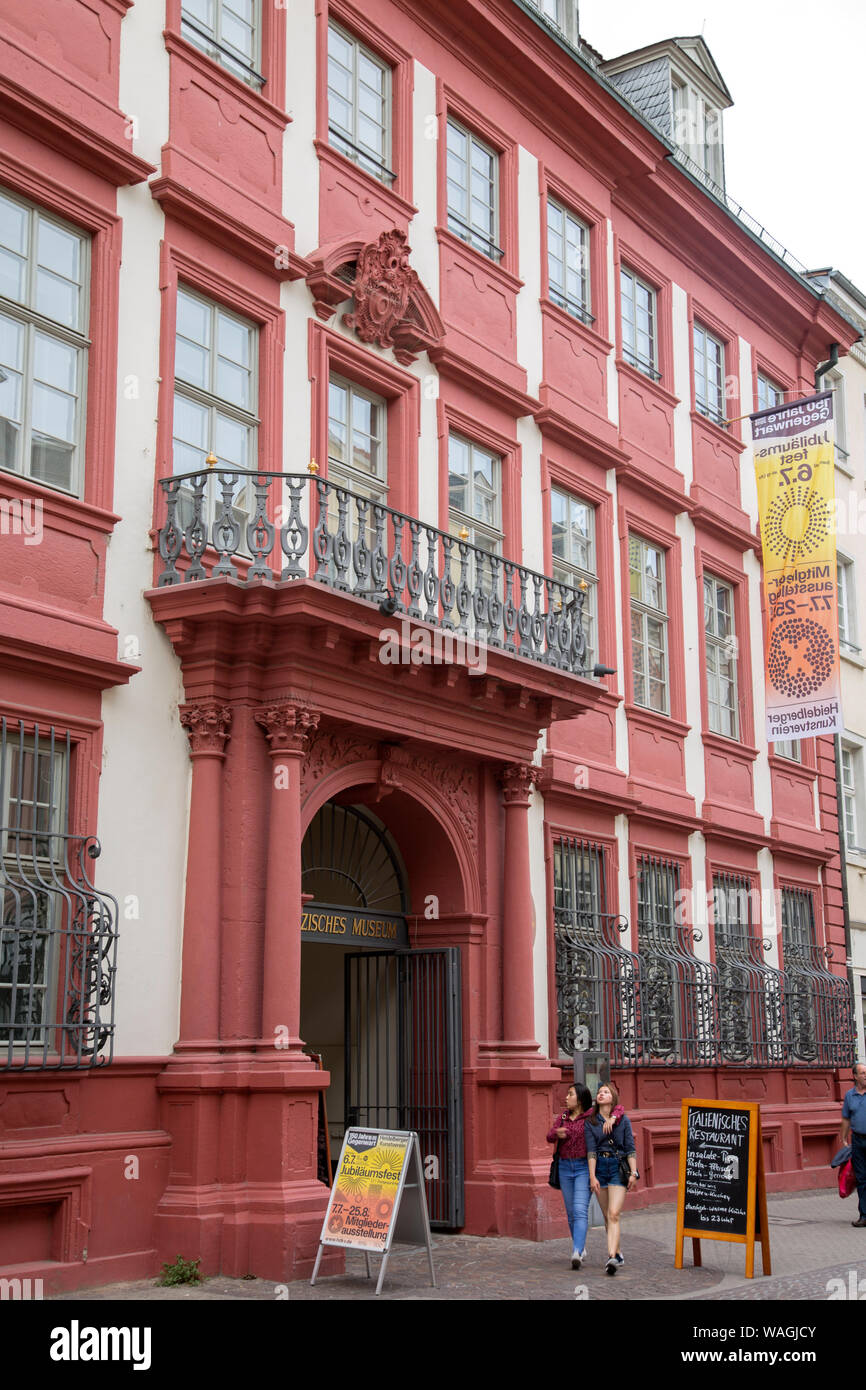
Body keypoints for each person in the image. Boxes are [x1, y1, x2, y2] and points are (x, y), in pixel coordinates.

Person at [547, 1083, 623, 1270]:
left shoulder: (591, 1115)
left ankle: (577, 1251)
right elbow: (549, 1136)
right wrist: (557, 1133)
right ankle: (580, 1246)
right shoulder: (563, 1117)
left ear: (580, 1099)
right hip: (565, 1167)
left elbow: (619, 1107)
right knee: (571, 1213)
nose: (566, 1097)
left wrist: (613, 1118)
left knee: (580, 1209)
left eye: (570, 1094)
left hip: (583, 1167)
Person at [585, 1082, 638, 1276]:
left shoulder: (623, 1120)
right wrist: (592, 1177)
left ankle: (611, 1257)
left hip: (617, 1167)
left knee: (614, 1213)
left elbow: (630, 1148)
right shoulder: (591, 1122)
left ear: (613, 1097)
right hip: (600, 1168)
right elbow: (591, 1151)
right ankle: (618, 1252)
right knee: (608, 1216)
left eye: (606, 1092)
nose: (601, 1094)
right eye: (599, 1092)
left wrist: (634, 1172)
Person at [841, 1062, 866, 1227]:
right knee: (862, 1179)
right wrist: (843, 1138)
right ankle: (864, 1215)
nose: (865, 1076)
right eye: (863, 1073)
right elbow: (846, 1119)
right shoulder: (850, 1095)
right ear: (855, 1076)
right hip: (857, 1140)